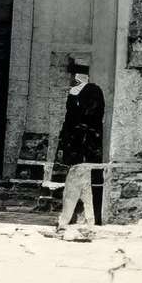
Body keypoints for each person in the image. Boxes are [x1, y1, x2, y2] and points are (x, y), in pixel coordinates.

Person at [56, 57, 107, 230]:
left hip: (87, 148)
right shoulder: (74, 94)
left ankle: (86, 219)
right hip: (77, 148)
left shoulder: (92, 91)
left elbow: (89, 118)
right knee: (78, 186)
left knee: (84, 186)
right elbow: (69, 121)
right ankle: (74, 218)